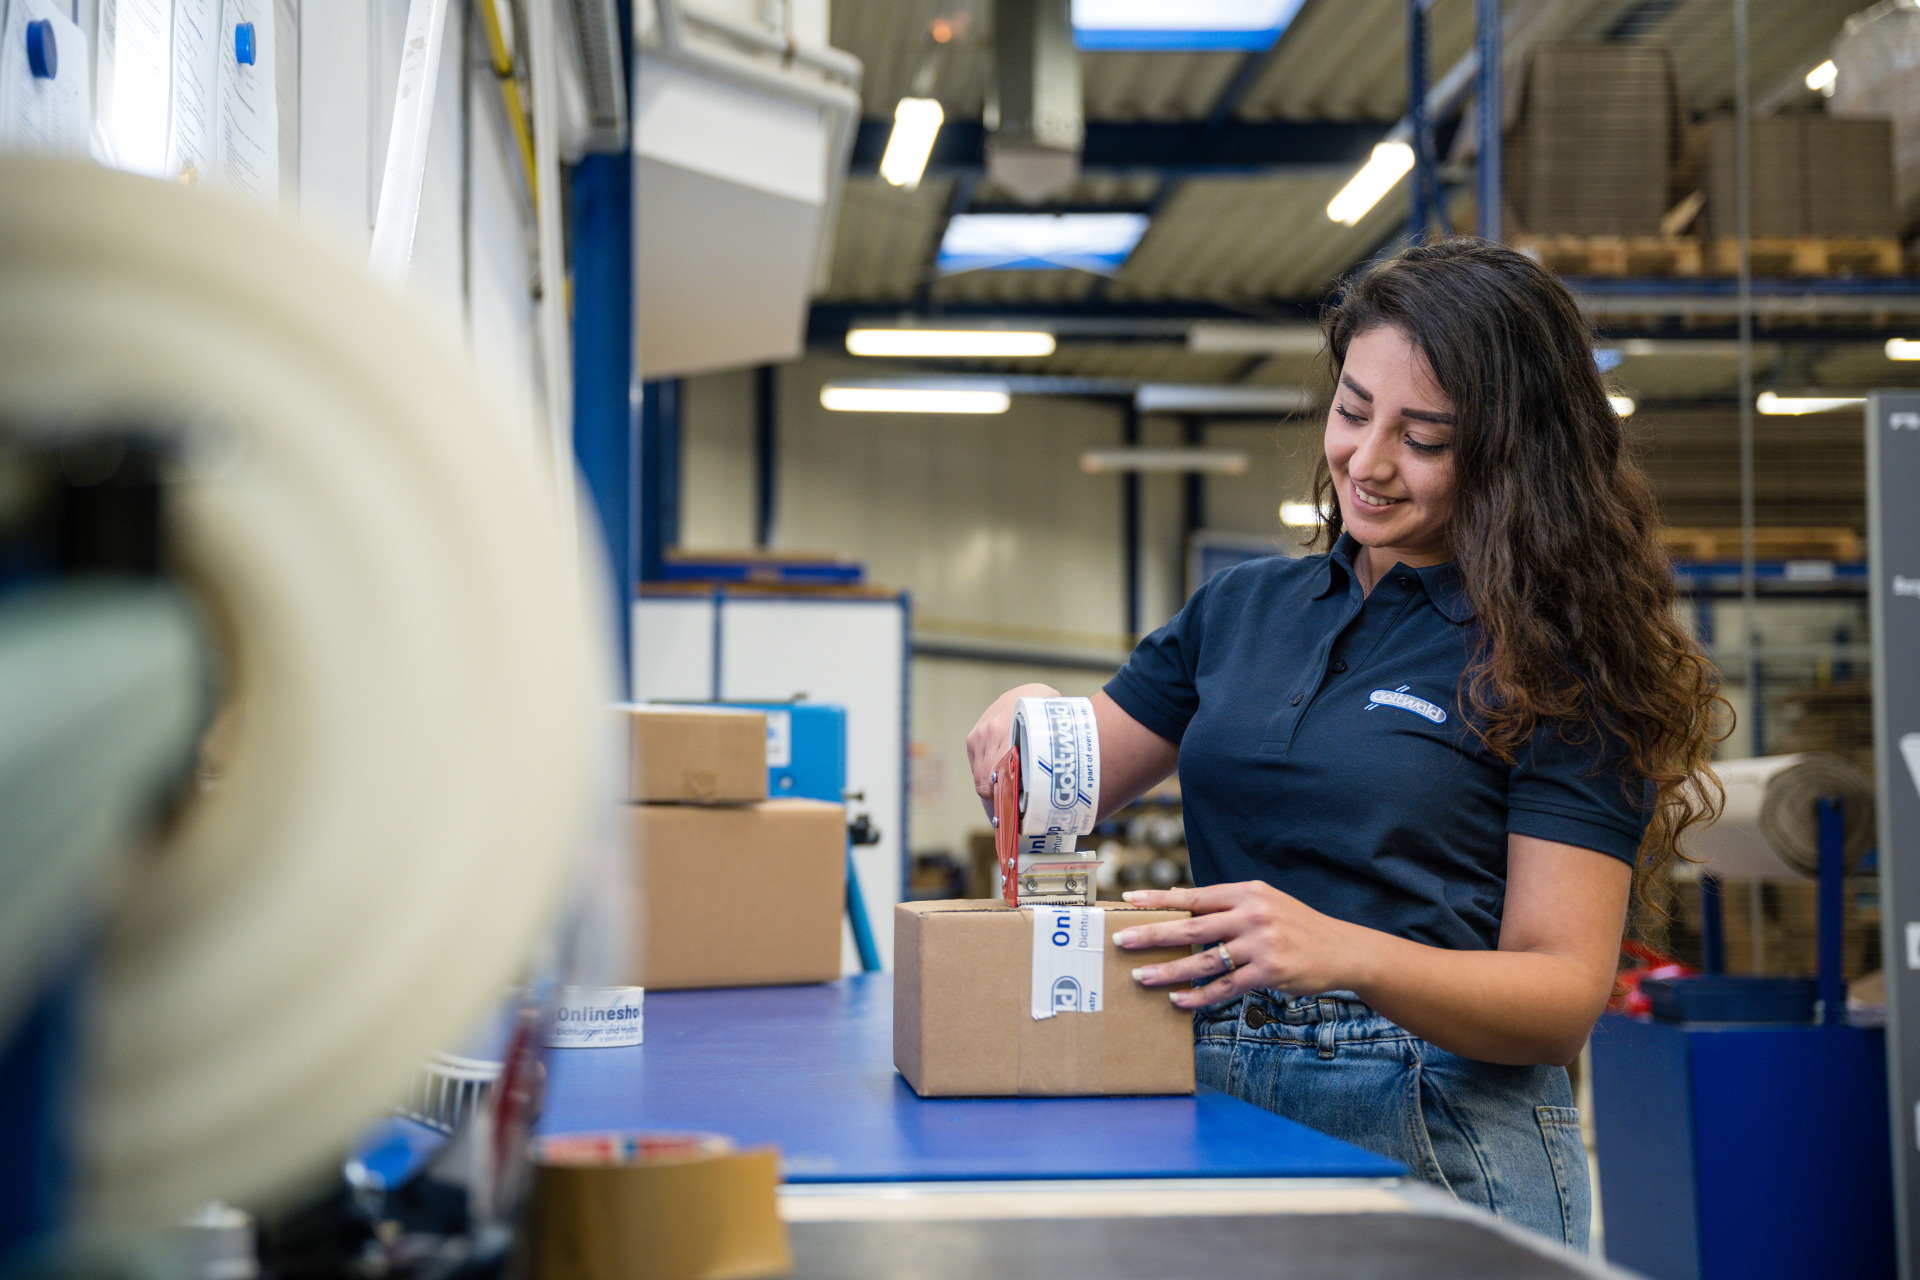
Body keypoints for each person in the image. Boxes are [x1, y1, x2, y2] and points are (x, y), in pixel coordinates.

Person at [965, 238, 1725, 1251]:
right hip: (1217, 1102)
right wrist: (1029, 719)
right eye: (1353, 410)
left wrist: (1345, 952)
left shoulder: (1561, 656)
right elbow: (1063, 778)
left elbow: (1558, 994)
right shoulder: (1240, 610)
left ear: (1512, 451)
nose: (1368, 460)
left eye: (1425, 436)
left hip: (1438, 1129)